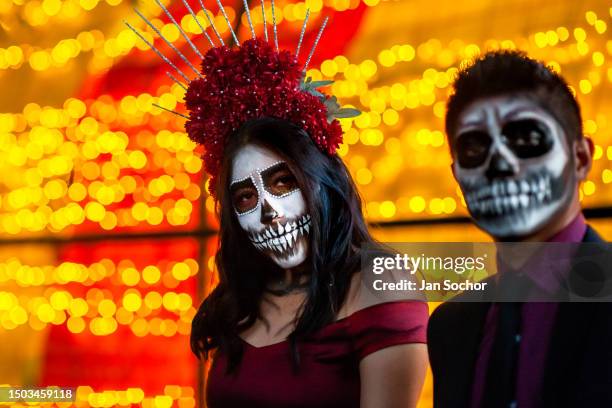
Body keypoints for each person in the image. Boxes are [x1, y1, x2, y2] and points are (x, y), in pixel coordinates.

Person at [428, 50, 611, 407]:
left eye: (526, 139)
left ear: (581, 158)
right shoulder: (449, 327)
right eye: (474, 147)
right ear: (458, 178)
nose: (501, 164)